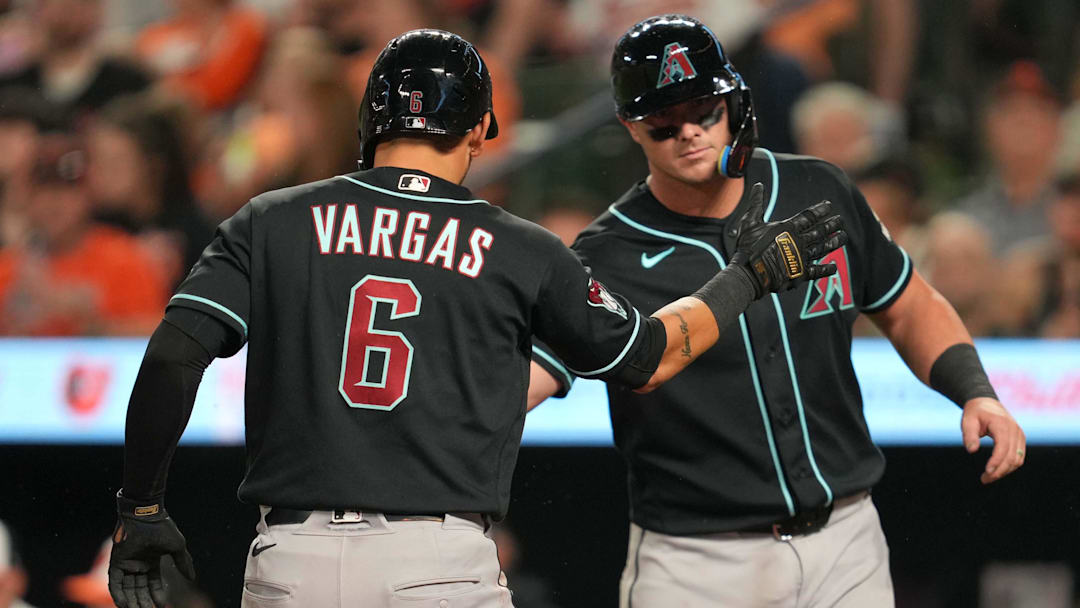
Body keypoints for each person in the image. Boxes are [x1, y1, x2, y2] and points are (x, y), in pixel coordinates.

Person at [105, 29, 846, 608]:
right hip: (438, 561)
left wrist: (140, 505)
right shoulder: (520, 248)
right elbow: (650, 356)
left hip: (289, 559)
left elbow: (175, 355)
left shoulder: (271, 219)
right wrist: (753, 274)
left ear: (371, 121)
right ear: (480, 129)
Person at [528, 15, 1027, 608]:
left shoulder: (819, 190)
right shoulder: (606, 253)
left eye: (704, 111)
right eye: (664, 123)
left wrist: (976, 390)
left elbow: (907, 302)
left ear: (733, 101)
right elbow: (533, 377)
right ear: (630, 127)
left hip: (847, 539)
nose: (689, 132)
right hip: (697, 562)